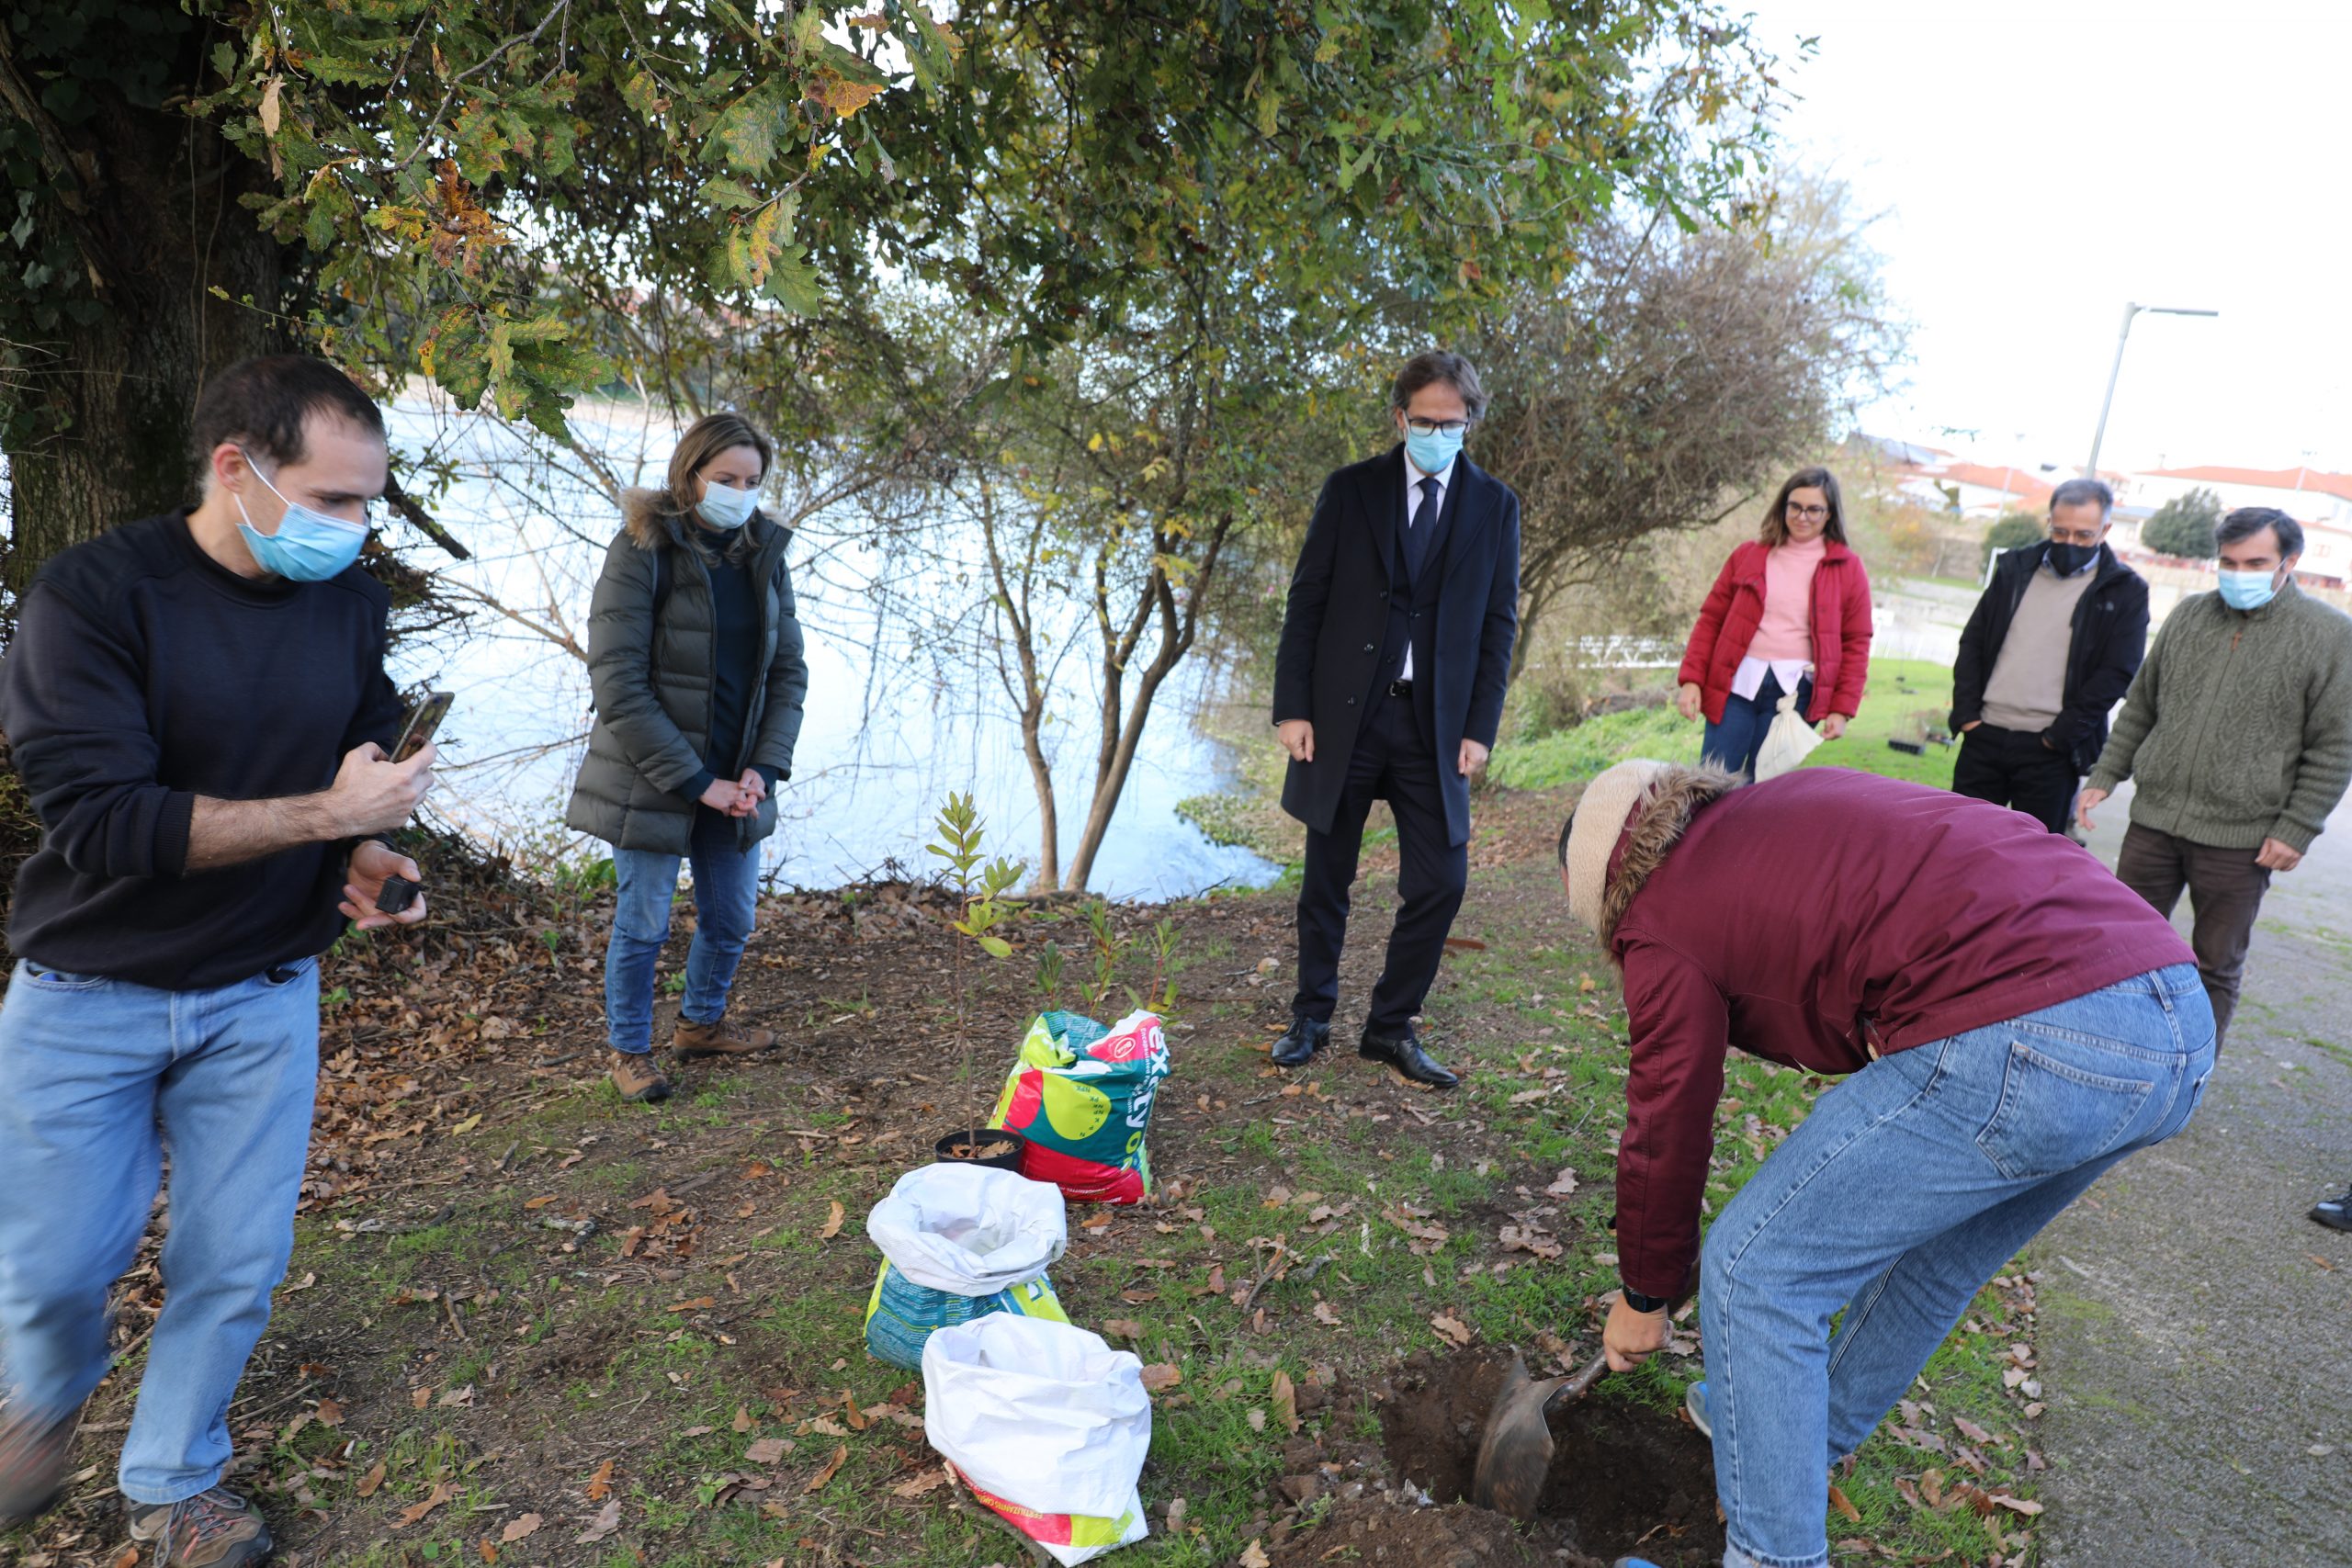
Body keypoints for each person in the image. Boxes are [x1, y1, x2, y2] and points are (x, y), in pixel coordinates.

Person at [1557, 760, 2211, 1568]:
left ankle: (1772, 1557)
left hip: (2033, 1032)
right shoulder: (1783, 811)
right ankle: (1780, 1437)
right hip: (2170, 1023)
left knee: (1757, 1271)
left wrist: (1646, 1294)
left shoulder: (1660, 912)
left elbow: (1667, 1112)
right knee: (1933, 1263)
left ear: (1608, 888)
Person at [0, 355, 434, 1566]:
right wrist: (316, 815)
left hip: (262, 989)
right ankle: (37, 1398)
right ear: (235, 468)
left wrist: (366, 842)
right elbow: (103, 821)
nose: (355, 529)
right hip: (87, 992)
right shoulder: (92, 596)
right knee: (50, 1266)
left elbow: (362, 720)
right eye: (333, 499)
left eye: (369, 503)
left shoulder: (348, 599)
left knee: (234, 1260)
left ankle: (176, 1475)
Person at [1269, 350, 1521, 1089]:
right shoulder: (1351, 491)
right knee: (1327, 877)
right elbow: (1307, 601)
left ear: (1470, 421)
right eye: (1424, 421)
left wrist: (1481, 727)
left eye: (1452, 422)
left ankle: (1388, 1027)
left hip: (1435, 728)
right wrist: (1293, 707)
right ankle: (1312, 1015)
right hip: (1343, 718)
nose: (1438, 433)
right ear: (1399, 418)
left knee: (1443, 879)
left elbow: (1498, 626)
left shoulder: (1495, 506)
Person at [565, 412, 808, 1104]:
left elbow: (788, 672)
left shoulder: (765, 552)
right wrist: (697, 782)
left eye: (752, 480)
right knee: (643, 920)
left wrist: (765, 764)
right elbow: (618, 684)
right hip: (652, 776)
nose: (740, 492)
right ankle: (630, 1049)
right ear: (689, 474)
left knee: (732, 917)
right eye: (726, 478)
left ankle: (701, 1023)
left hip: (740, 777)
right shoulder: (642, 547)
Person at [2079, 506, 2352, 1048]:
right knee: (2119, 952)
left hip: (2241, 839)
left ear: (2289, 562)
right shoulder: (2189, 616)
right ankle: (2110, 1060)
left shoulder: (2329, 635)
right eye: (2228, 562)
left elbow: (2336, 744)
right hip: (2154, 822)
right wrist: (2106, 773)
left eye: (2256, 562)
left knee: (2215, 967)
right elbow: (2142, 706)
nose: (2239, 573)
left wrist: (2297, 827)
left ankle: (2187, 1074)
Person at [1949, 479, 2149, 832]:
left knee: (2034, 866)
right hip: (1984, 736)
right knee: (1961, 846)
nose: (2070, 543)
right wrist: (1967, 716)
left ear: (2105, 529)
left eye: (2083, 535)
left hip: (2050, 752)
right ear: (2049, 523)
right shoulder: (2014, 569)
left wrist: (2057, 739)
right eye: (2060, 532)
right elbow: (1974, 641)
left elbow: (2117, 672)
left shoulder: (2126, 590)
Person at [1675, 468, 1872, 778]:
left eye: (1813, 509)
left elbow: (1856, 642)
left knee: (1762, 794)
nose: (1802, 516)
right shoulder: (1748, 555)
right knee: (1709, 784)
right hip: (1734, 686)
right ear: (1782, 507)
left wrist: (1841, 709)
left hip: (1794, 697)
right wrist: (1691, 680)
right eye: (1794, 506)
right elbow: (1711, 619)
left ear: (1830, 513)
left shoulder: (1848, 569)